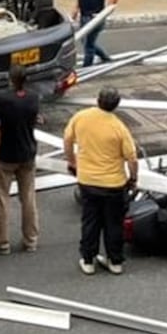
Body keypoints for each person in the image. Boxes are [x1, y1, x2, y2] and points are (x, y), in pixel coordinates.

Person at [64, 88, 138, 276]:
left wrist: (72, 163)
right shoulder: (118, 127)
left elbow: (67, 139)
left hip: (88, 180)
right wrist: (133, 178)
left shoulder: (81, 117)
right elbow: (132, 158)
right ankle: (115, 261)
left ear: (98, 100)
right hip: (113, 183)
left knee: (90, 221)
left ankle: (88, 260)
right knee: (114, 223)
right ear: (116, 105)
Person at [0, 64, 41, 255]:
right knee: (28, 198)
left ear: (10, 79)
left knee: (1, 198)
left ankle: (1, 242)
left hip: (5, 154)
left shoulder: (2, 99)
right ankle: (31, 240)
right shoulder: (33, 98)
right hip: (27, 152)